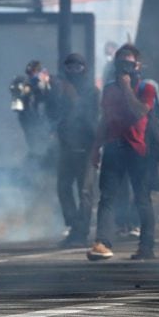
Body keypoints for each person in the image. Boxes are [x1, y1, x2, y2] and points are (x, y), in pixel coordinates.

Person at [88, 44, 157, 261]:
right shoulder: (109, 88)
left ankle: (146, 247)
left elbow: (139, 112)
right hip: (113, 147)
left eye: (129, 63)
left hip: (139, 150)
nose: (125, 68)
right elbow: (105, 119)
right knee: (107, 198)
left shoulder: (147, 87)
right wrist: (95, 147)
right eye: (122, 63)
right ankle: (102, 243)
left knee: (142, 198)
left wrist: (126, 87)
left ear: (138, 65)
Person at [54, 53, 100, 247]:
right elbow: (56, 115)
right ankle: (74, 225)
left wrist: (75, 100)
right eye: (69, 67)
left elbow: (92, 120)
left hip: (86, 146)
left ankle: (81, 232)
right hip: (66, 146)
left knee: (85, 191)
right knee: (63, 187)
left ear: (84, 68)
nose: (73, 71)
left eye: (77, 67)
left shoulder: (92, 92)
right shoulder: (62, 90)